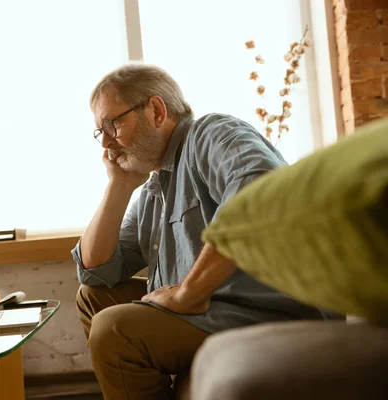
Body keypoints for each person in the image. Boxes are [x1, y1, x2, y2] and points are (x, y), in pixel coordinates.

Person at [72, 64, 341, 400]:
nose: (107, 144)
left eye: (113, 124)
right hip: (217, 311)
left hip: (269, 312)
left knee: (113, 331)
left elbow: (259, 194)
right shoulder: (154, 189)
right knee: (93, 297)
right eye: (101, 132)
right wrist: (119, 185)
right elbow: (96, 272)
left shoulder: (212, 133)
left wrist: (188, 293)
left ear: (156, 110)